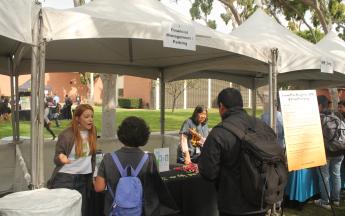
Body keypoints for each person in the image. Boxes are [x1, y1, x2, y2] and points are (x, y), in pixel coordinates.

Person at [198, 88, 266, 216]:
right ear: (241, 104)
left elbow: (208, 172)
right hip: (262, 199)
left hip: (233, 205)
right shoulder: (261, 125)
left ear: (222, 107)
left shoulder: (219, 133)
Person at [93, 116, 177, 216]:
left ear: (121, 134)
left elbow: (99, 188)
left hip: (115, 211)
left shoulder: (108, 159)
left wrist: (92, 180)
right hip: (143, 211)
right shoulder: (149, 159)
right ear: (144, 136)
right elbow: (155, 186)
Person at [47, 104, 97, 216]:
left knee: (80, 211)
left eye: (92, 116)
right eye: (86, 116)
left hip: (84, 179)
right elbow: (56, 159)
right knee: (63, 212)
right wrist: (61, 158)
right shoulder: (66, 135)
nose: (90, 120)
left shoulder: (93, 132)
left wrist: (94, 174)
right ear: (77, 118)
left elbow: (92, 157)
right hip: (65, 178)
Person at [314, 95, 344, 210]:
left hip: (326, 152)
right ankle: (336, 200)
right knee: (337, 175)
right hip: (340, 150)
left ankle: (325, 201)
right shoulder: (337, 114)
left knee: (324, 177)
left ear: (320, 105)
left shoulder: (319, 118)